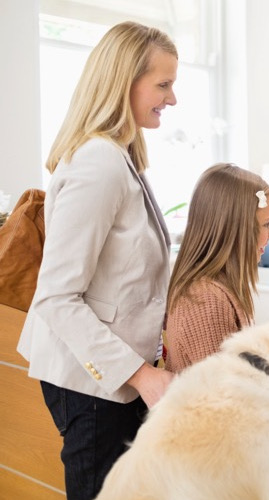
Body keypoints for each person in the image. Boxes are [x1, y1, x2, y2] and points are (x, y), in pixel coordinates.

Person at [17, 22, 178, 500]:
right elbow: (57, 297)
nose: (172, 99)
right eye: (163, 85)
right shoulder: (98, 164)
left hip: (109, 377)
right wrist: (142, 375)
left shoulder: (120, 157)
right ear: (123, 82)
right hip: (92, 384)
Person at [164, 163, 269, 373]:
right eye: (267, 224)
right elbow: (228, 395)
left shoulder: (219, 289)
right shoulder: (206, 300)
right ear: (237, 229)